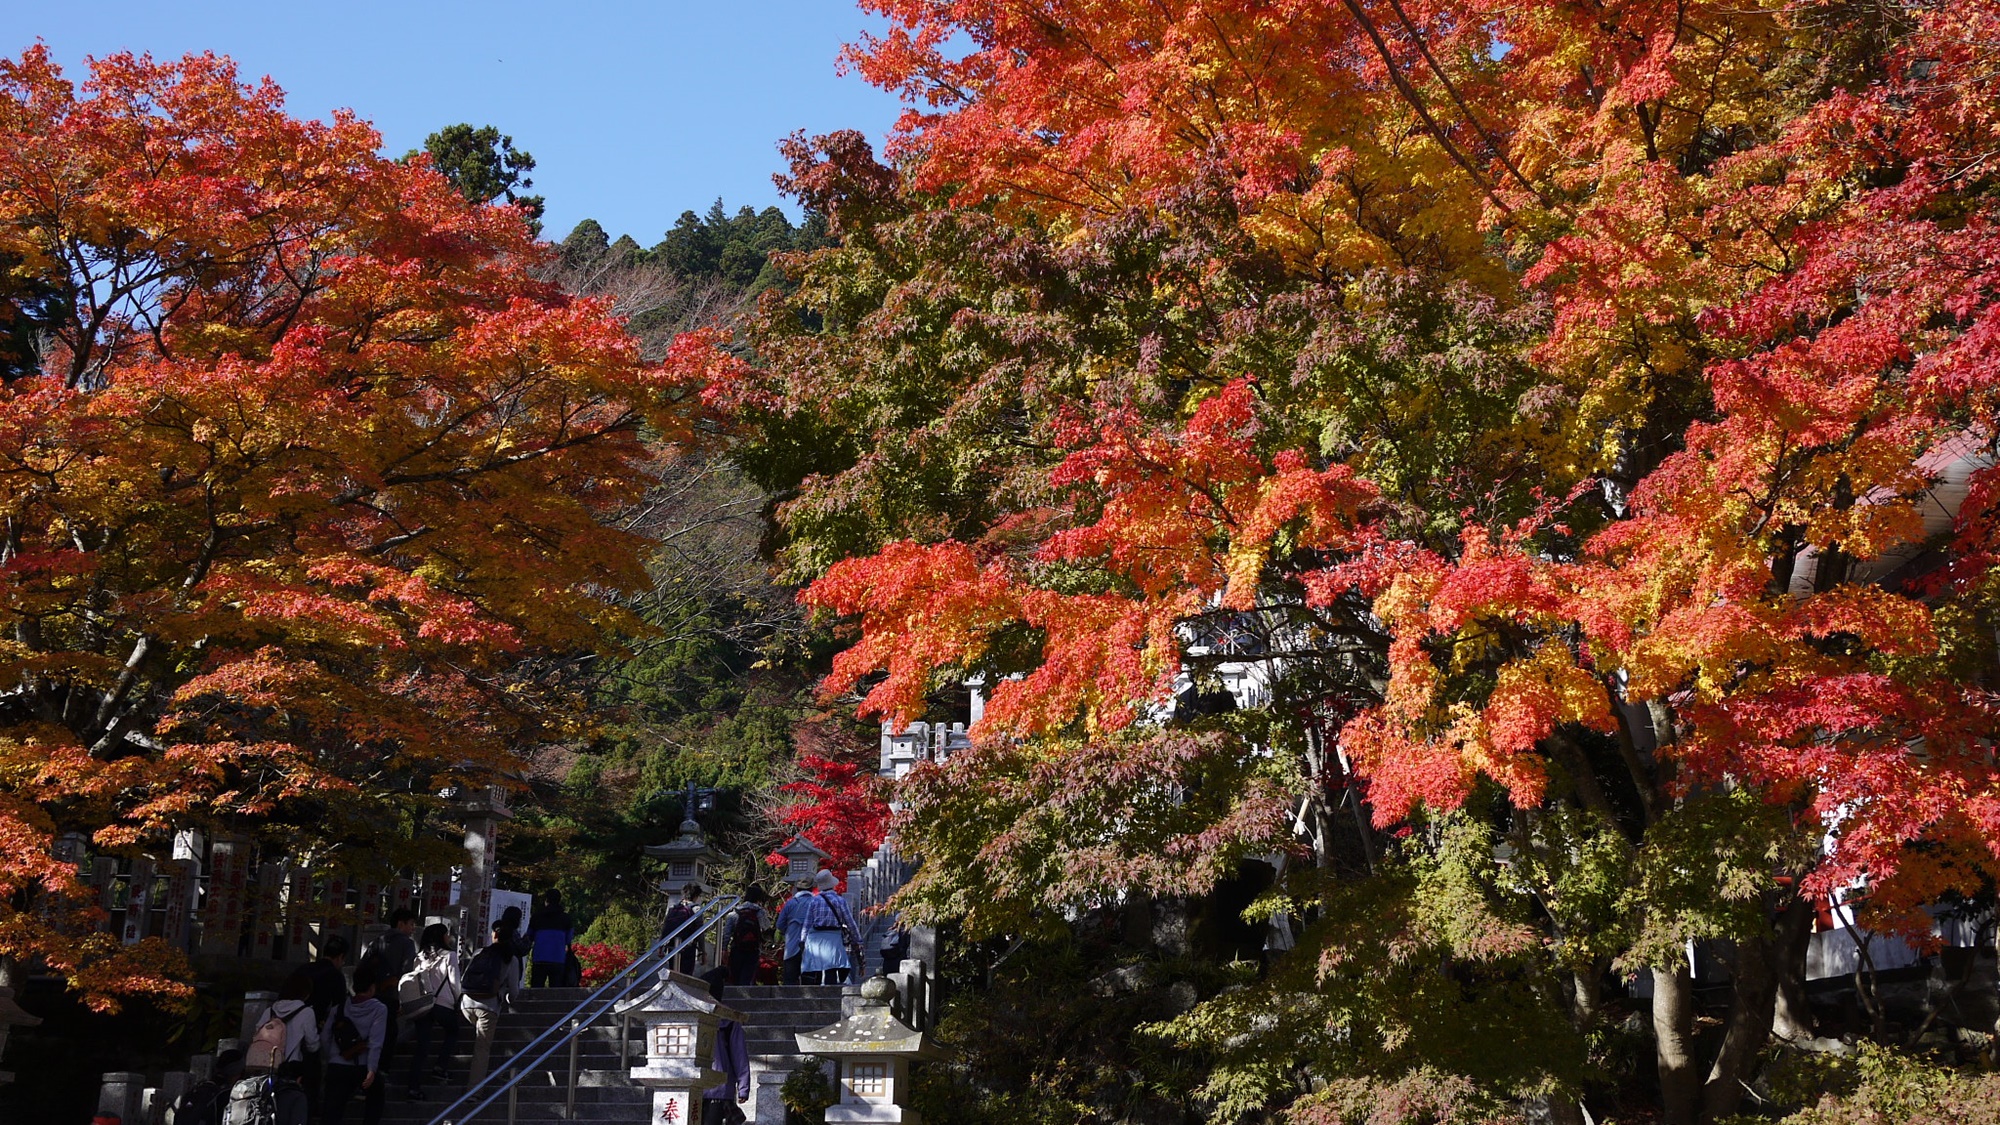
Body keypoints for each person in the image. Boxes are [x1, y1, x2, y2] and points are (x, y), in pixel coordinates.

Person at [458, 918, 522, 1088]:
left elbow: (464, 978)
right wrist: (505, 997)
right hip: (488, 1007)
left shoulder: (479, 952)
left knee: (478, 1039)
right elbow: (514, 991)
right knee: (482, 1050)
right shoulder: (511, 959)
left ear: (494, 935)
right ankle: (474, 1091)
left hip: (466, 1004)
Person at [404, 923, 463, 1101]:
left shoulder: (419, 957)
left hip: (423, 1005)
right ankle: (440, 1067)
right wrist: (457, 1001)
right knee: (453, 1031)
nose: (448, 937)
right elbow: (455, 983)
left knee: (422, 1048)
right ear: (440, 937)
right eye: (446, 934)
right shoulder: (450, 956)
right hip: (442, 1004)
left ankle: (413, 1088)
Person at [322, 969, 388, 1125]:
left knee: (332, 1110)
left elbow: (325, 1036)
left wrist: (330, 1057)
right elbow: (375, 1042)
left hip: (337, 1065)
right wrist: (372, 1070)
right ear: (372, 987)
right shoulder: (379, 1009)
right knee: (376, 1098)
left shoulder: (338, 1008)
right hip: (361, 1067)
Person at [357, 909, 418, 1071]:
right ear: (400, 924)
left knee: (373, 1033)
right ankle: (381, 1070)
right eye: (411, 924)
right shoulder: (407, 943)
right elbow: (407, 974)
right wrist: (403, 1000)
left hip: (372, 994)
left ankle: (366, 1068)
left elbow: (362, 968)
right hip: (391, 996)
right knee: (390, 1032)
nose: (413, 928)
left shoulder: (377, 941)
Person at [300, 933, 349, 1118]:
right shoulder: (335, 975)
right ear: (341, 957)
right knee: (312, 1077)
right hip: (316, 1030)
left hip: (289, 1029)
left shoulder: (304, 969)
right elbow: (339, 1007)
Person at [698, 970, 750, 1125]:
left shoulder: (728, 1020)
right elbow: (739, 1054)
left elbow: (738, 1054)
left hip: (712, 1088)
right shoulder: (729, 1018)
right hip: (713, 1087)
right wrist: (743, 1087)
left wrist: (743, 1086)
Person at [800, 870, 862, 985]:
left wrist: (802, 940)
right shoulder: (839, 901)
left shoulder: (814, 900)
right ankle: (831, 993)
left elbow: (807, 923)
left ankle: (814, 994)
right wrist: (858, 939)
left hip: (815, 938)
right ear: (832, 884)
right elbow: (850, 922)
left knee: (816, 967)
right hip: (833, 937)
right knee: (831, 967)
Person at [526, 890, 575, 988]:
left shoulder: (536, 917)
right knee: (555, 990)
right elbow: (569, 938)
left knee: (536, 989)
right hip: (558, 958)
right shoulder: (566, 918)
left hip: (539, 958)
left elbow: (529, 936)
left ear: (546, 900)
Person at [725, 886, 769, 987]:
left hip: (736, 947)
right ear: (759, 898)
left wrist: (724, 948)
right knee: (747, 976)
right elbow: (766, 927)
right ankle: (745, 999)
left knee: (735, 977)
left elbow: (727, 932)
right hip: (753, 949)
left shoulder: (735, 912)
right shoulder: (760, 912)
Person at [775, 879, 813, 985]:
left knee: (790, 980)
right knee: (809, 981)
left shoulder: (790, 903)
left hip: (791, 944)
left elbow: (780, 924)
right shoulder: (815, 902)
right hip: (811, 946)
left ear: (796, 888)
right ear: (811, 888)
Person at [660, 884, 704, 975]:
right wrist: (702, 951)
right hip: (688, 947)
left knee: (674, 973)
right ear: (696, 896)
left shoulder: (673, 908)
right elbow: (700, 932)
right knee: (686, 975)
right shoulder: (696, 909)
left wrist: (661, 946)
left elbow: (666, 927)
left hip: (672, 946)